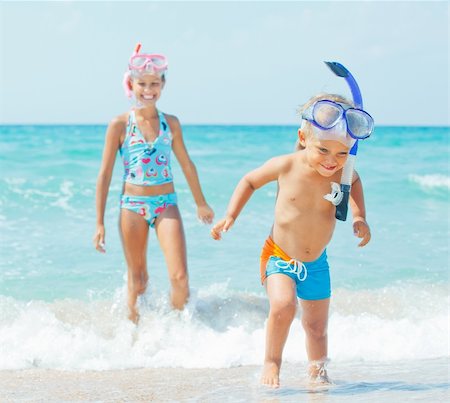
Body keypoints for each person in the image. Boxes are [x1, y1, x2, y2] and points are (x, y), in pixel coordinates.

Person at [211, 93, 372, 387]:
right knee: (284, 306)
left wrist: (360, 216)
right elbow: (249, 180)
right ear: (303, 137)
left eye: (341, 153)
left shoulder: (344, 172)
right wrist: (230, 215)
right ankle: (272, 362)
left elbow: (356, 182)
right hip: (279, 255)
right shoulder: (286, 165)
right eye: (323, 150)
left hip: (317, 262)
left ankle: (318, 371)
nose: (331, 161)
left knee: (316, 326)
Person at [93, 43, 214, 323]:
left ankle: (177, 330)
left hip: (166, 204)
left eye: (154, 84)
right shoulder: (120, 125)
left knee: (180, 276)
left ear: (163, 85)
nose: (148, 89)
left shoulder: (171, 124)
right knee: (138, 280)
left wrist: (201, 203)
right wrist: (99, 222)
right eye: (142, 83)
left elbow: (186, 163)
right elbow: (105, 174)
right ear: (131, 84)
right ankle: (137, 338)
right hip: (132, 206)